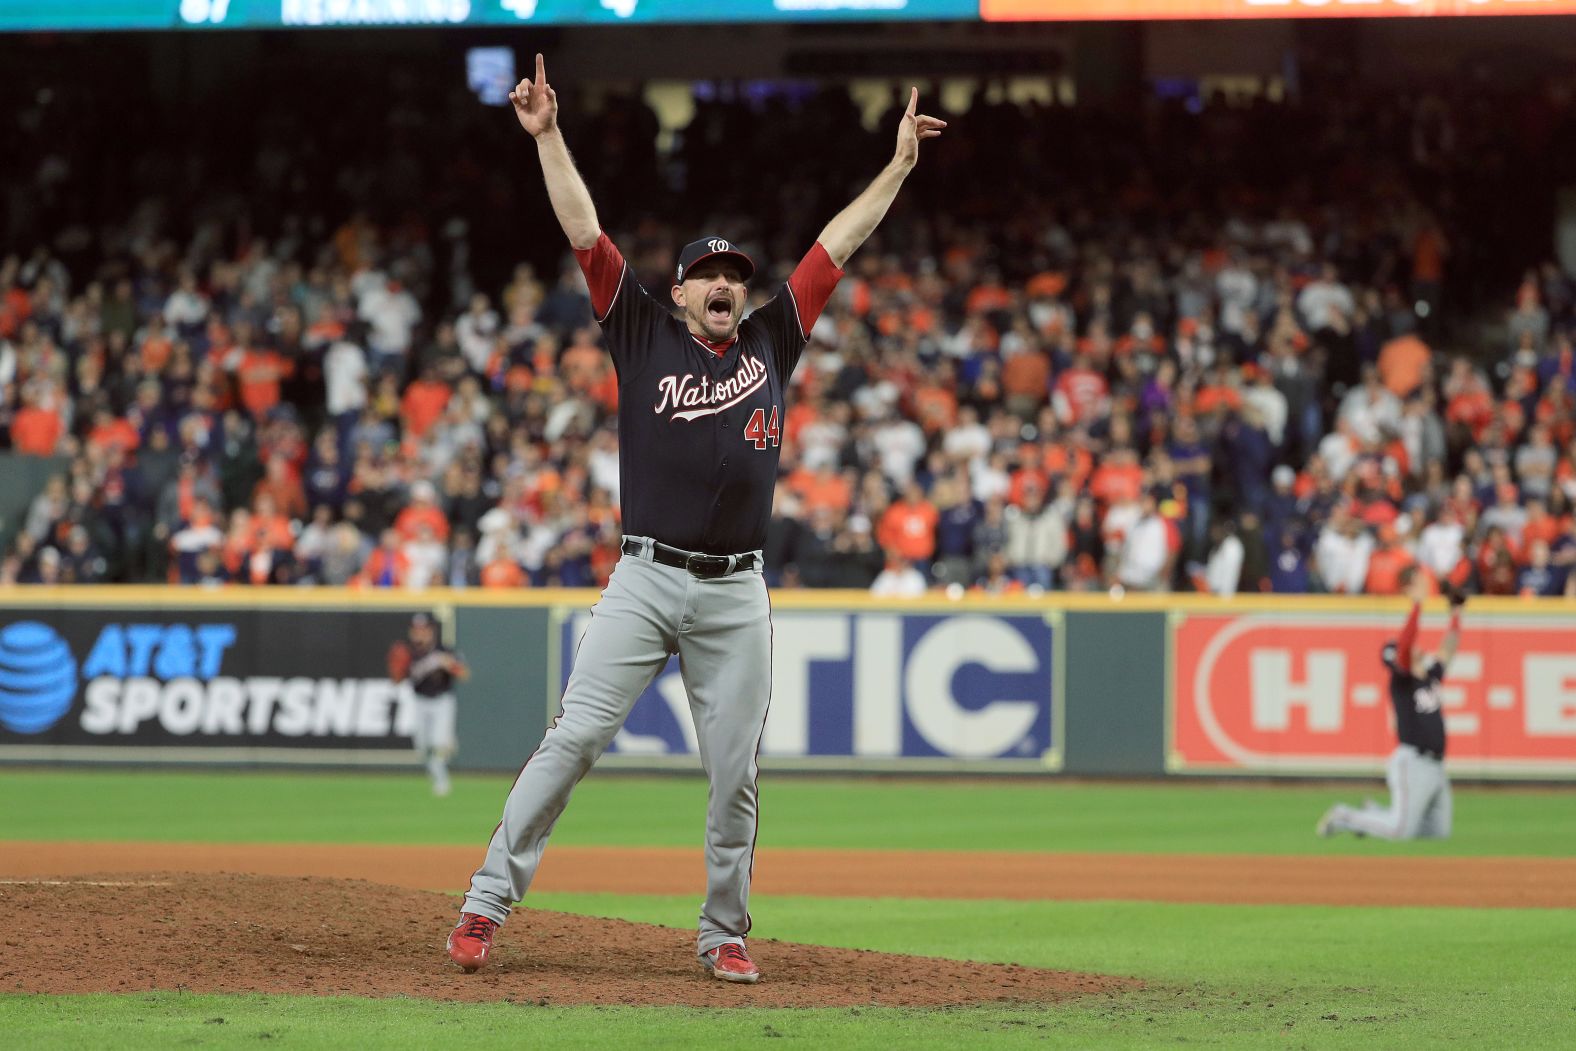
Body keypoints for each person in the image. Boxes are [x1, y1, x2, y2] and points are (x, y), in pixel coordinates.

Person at [446, 54, 945, 984]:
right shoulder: (639, 329)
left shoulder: (770, 339)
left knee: (735, 775)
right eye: (707, 275)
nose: (723, 284)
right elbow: (584, 229)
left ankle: (723, 932)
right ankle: (485, 901)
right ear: (678, 292)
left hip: (735, 590)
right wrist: (550, 135)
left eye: (733, 275)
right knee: (575, 738)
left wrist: (899, 169)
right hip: (644, 577)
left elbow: (837, 246)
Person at [1318, 570, 1463, 840]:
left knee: (1437, 832)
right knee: (1400, 830)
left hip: (1436, 765)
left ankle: (1372, 813)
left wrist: (1456, 612)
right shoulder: (1403, 680)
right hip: (1413, 761)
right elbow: (1406, 645)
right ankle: (1345, 816)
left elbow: (1449, 648)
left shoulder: (1428, 675)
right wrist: (1417, 606)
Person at [387, 612, 469, 796]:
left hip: (442, 701)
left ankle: (442, 781)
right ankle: (448, 745)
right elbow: (396, 680)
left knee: (438, 744)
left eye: (424, 629)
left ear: (432, 631)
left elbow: (464, 674)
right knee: (422, 747)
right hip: (420, 702)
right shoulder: (409, 654)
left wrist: (450, 664)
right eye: (417, 630)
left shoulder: (444, 650)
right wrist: (398, 670)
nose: (420, 634)